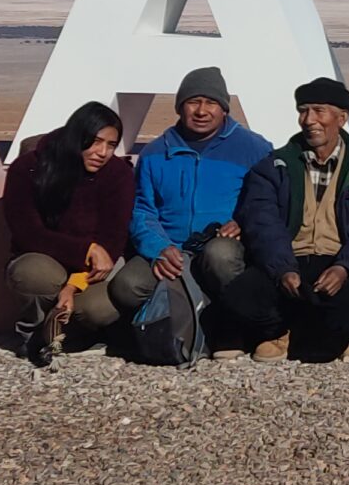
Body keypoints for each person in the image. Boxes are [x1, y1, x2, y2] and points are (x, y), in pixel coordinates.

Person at [226, 77, 349, 362]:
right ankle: (278, 332)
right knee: (240, 297)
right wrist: (282, 269)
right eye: (303, 111)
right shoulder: (274, 167)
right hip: (289, 259)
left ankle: (337, 334)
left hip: (340, 262)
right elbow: (262, 221)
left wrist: (346, 267)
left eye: (319, 111)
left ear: (341, 118)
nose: (309, 120)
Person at [110, 66, 270, 323]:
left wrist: (243, 222)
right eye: (193, 102)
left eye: (211, 103)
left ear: (224, 108)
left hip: (225, 247)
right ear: (179, 107)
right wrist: (159, 248)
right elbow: (142, 210)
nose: (201, 111)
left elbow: (269, 201)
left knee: (220, 256)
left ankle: (236, 326)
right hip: (171, 247)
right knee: (127, 286)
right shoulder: (154, 153)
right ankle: (168, 325)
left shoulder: (254, 149)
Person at [1, 101, 135, 366]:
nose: (103, 153)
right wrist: (86, 249)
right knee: (33, 274)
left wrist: (73, 286)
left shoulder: (118, 175)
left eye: (111, 145)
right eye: (95, 142)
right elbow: (28, 232)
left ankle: (72, 334)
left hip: (92, 271)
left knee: (99, 309)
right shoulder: (28, 168)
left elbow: (113, 238)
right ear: (76, 136)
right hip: (45, 260)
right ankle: (32, 332)